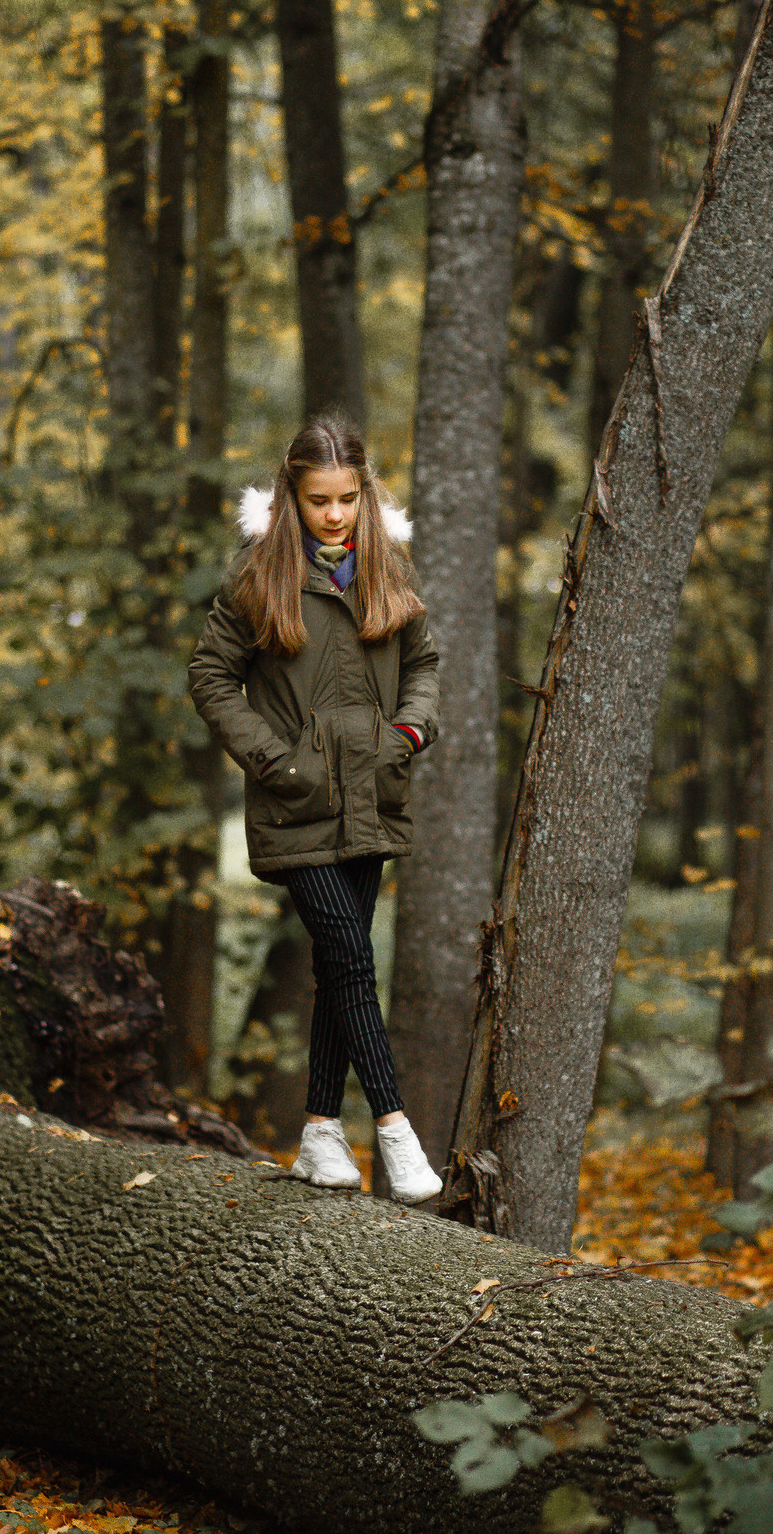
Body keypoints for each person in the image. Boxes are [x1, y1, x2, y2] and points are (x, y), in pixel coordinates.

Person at [187, 415, 445, 1203]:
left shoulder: (388, 568)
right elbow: (210, 676)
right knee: (350, 956)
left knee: (342, 962)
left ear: (364, 492)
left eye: (346, 498)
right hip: (296, 800)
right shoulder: (258, 576)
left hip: (372, 790)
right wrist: (273, 759)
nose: (334, 514)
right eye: (317, 499)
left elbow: (423, 664)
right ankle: (396, 1130)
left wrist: (408, 733)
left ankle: (320, 1134)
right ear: (291, 495)